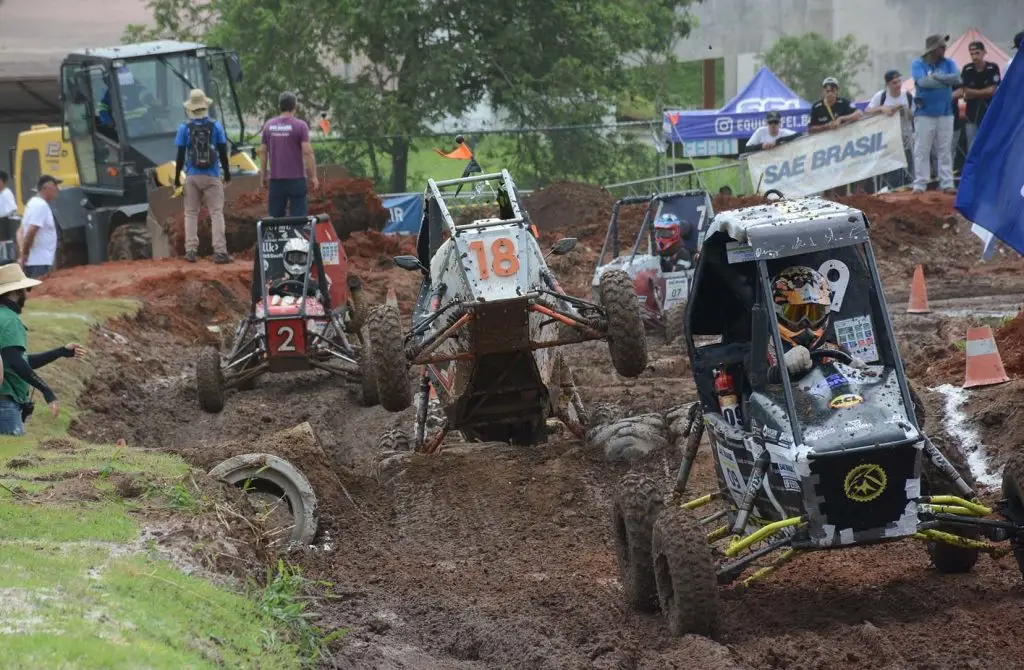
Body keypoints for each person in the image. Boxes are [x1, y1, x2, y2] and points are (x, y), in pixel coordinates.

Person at [0, 262, 87, 435]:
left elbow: (18, 360)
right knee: (12, 459)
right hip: (6, 404)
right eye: (26, 290)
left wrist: (60, 352)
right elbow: (16, 363)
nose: (27, 294)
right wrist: (47, 391)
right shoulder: (9, 320)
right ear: (16, 292)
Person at [766, 266, 865, 382]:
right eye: (796, 314)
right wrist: (780, 370)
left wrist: (860, 371)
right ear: (776, 312)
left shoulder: (834, 350)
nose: (806, 322)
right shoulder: (762, 352)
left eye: (814, 314)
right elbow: (757, 383)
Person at [174, 89, 232, 265]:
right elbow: (223, 152)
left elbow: (180, 155)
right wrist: (226, 174)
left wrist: (177, 178)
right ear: (205, 106)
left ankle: (191, 251)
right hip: (212, 175)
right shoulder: (216, 126)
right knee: (216, 213)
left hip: (192, 175)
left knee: (191, 213)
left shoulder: (184, 127)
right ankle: (220, 252)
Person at [911, 34, 961, 194]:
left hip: (946, 112)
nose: (944, 49)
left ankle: (947, 183)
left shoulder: (949, 63)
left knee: (945, 149)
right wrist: (943, 81)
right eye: (941, 46)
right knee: (922, 149)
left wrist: (936, 77)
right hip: (924, 112)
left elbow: (956, 78)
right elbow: (923, 82)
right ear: (933, 48)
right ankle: (920, 183)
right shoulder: (918, 64)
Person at [260, 91, 319, 218]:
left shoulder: (269, 125)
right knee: (299, 218)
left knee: (275, 218)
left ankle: (278, 237)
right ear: (295, 106)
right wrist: (314, 176)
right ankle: (298, 238)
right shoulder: (300, 126)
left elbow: (263, 151)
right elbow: (307, 152)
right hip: (296, 179)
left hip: (276, 179)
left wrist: (263, 174)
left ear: (279, 106)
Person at [865, 69, 915, 189]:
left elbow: (914, 115)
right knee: (891, 170)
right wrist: (882, 108)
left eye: (899, 81)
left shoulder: (907, 95)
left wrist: (905, 111)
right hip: (888, 140)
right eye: (894, 83)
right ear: (887, 84)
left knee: (907, 168)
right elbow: (867, 111)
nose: (898, 85)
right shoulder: (881, 96)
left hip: (906, 138)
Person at [955, 41, 1001, 153]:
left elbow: (992, 90)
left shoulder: (992, 67)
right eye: (972, 54)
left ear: (984, 52)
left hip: (989, 111)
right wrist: (982, 92)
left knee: (990, 143)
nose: (974, 56)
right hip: (971, 113)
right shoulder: (967, 69)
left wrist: (973, 93)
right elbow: (964, 90)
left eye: (977, 53)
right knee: (972, 145)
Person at [18, 175, 61, 279]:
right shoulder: (40, 206)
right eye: (55, 186)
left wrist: (22, 253)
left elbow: (20, 231)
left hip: (36, 261)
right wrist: (24, 254)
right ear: (47, 188)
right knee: (39, 292)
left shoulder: (32, 203)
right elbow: (31, 231)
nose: (58, 189)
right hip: (39, 262)